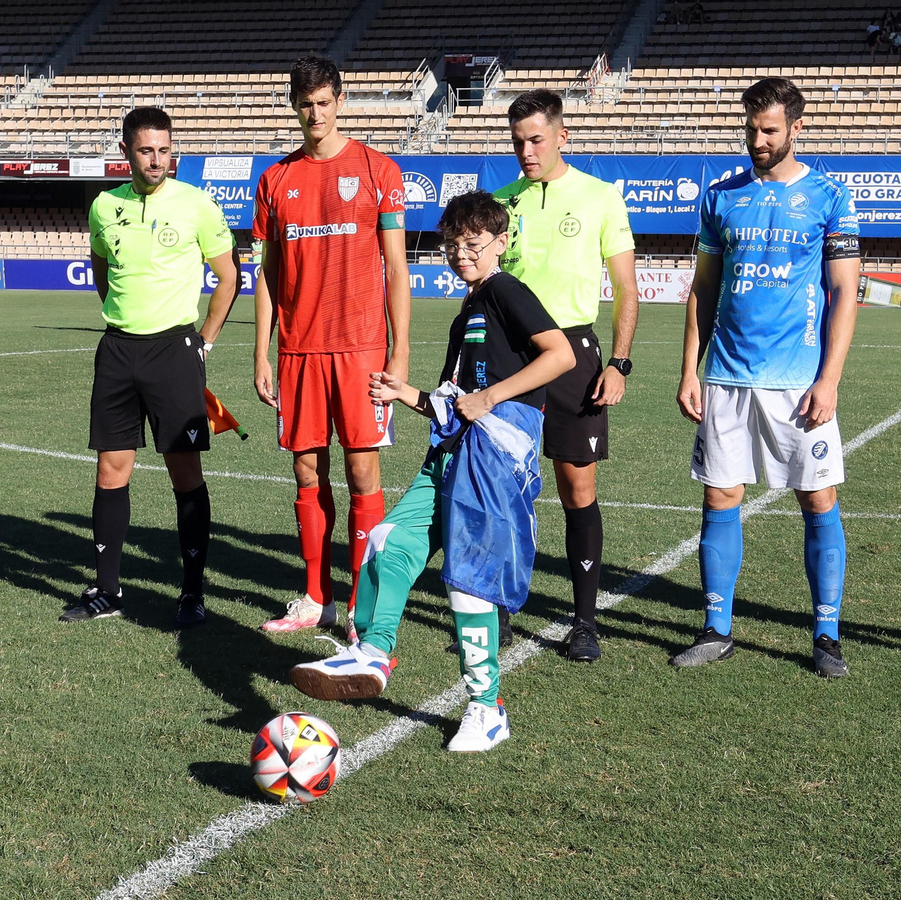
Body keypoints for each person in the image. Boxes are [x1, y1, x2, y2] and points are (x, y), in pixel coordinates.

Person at [289, 190, 575, 752]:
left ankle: (486, 709)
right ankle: (373, 653)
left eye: (473, 244)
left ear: (501, 243)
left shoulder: (505, 291)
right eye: (452, 245)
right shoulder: (470, 308)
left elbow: (560, 355)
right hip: (453, 451)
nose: (461, 254)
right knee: (388, 539)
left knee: (469, 583)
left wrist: (490, 397)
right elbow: (454, 403)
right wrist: (408, 394)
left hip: (492, 458)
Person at [673, 77, 862, 678]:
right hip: (727, 376)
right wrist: (690, 370)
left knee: (817, 497)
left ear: (796, 128)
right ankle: (716, 628)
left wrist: (829, 380)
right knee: (719, 495)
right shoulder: (721, 196)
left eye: (770, 130)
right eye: (751, 129)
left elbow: (845, 292)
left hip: (798, 381)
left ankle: (826, 634)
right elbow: (703, 288)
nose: (758, 140)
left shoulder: (830, 197)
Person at [59, 107, 239, 627]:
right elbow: (101, 269)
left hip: (174, 353)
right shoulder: (103, 205)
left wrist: (204, 342)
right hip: (118, 351)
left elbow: (228, 277)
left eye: (164, 150)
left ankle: (192, 592)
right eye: (146, 150)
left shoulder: (197, 204)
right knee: (110, 470)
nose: (156, 160)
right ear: (126, 152)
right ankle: (107, 591)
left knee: (185, 473)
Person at [252, 56, 411, 637]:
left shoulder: (377, 169)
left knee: (363, 471)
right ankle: (315, 598)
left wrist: (399, 351)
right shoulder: (275, 180)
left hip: (361, 348)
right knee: (305, 471)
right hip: (298, 350)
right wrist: (262, 350)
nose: (315, 114)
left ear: (340, 101)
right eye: (305, 104)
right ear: (293, 106)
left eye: (323, 103)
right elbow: (268, 273)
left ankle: (362, 607)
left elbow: (396, 267)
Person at [492, 89, 639, 662]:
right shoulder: (501, 203)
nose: (526, 152)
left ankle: (584, 623)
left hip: (575, 355)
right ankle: (499, 610)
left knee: (577, 488)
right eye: (518, 142)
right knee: (505, 486)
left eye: (536, 140)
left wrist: (619, 363)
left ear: (562, 136)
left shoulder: (600, 197)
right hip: (512, 356)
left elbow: (626, 288)